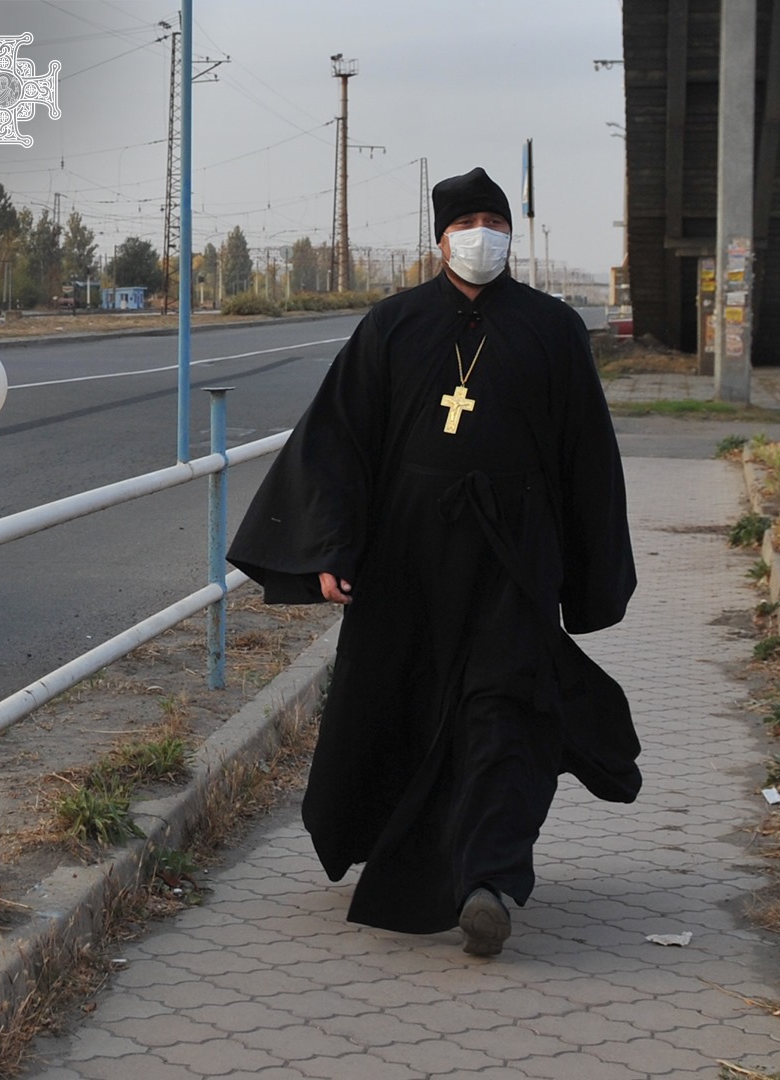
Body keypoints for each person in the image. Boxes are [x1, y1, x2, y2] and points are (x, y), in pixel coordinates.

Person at [227, 167, 639, 956]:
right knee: (402, 702)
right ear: (441, 238)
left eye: (495, 222)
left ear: (510, 233)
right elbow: (340, 443)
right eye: (466, 223)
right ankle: (401, 842)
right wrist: (331, 547)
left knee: (504, 708)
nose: (482, 236)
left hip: (513, 557)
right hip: (406, 558)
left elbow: (586, 455)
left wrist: (586, 572)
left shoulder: (551, 328)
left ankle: (488, 880)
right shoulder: (393, 324)